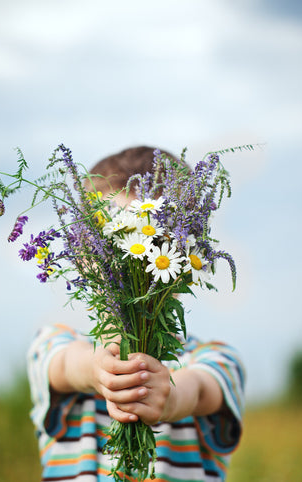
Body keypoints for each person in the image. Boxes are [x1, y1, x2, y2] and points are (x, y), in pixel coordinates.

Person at [27, 146, 245, 482]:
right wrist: (97, 371)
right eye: (107, 239)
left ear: (185, 251)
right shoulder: (54, 344)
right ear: (82, 252)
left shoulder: (215, 359)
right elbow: (64, 366)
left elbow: (199, 389)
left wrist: (168, 398)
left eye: (153, 239)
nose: (128, 262)